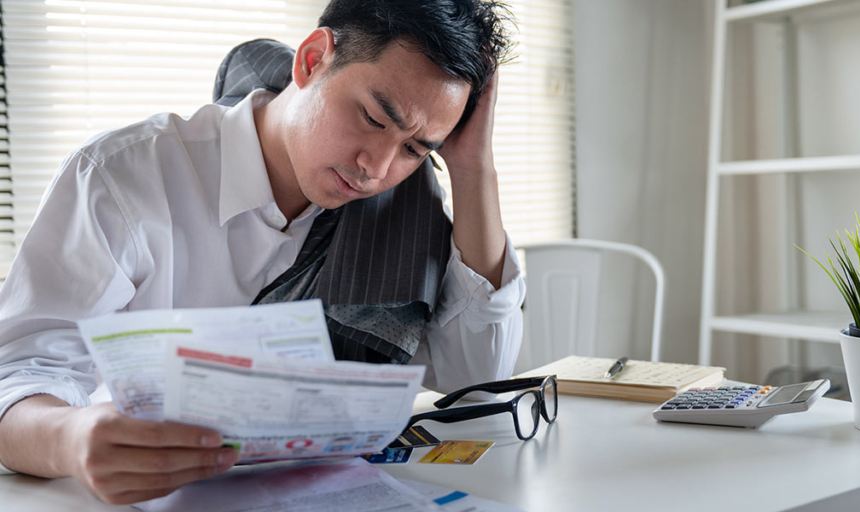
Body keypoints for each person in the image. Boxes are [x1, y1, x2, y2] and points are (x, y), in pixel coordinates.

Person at [0, 0, 524, 505]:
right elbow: (18, 381)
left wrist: (474, 169)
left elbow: (478, 385)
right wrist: (73, 438)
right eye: (372, 117)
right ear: (313, 59)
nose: (377, 167)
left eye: (415, 148)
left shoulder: (401, 213)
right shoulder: (123, 178)